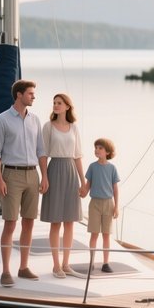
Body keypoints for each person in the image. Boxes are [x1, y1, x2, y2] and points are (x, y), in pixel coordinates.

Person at [0, 80, 49, 287]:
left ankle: (23, 268)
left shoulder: (35, 120)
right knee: (10, 223)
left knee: (29, 222)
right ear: (19, 95)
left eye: (33, 93)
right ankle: (6, 271)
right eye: (30, 93)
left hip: (33, 175)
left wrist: (44, 176)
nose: (34, 97)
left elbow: (41, 150)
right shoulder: (2, 120)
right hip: (11, 176)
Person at [40, 93, 86, 277]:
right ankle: (56, 265)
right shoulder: (48, 127)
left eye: (59, 103)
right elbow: (43, 154)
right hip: (54, 170)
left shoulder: (74, 128)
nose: (56, 105)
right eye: (54, 103)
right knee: (55, 221)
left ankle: (66, 264)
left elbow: (78, 156)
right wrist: (44, 177)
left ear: (67, 106)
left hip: (71, 172)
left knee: (70, 221)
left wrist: (83, 182)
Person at [81, 138, 120, 272]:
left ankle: (105, 263)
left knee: (106, 235)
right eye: (96, 147)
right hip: (95, 204)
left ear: (107, 152)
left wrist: (116, 206)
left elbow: (115, 189)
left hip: (108, 204)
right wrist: (81, 193)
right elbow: (87, 186)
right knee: (94, 234)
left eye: (100, 148)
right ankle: (91, 262)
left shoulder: (112, 168)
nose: (96, 150)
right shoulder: (92, 167)